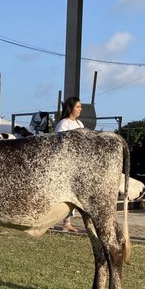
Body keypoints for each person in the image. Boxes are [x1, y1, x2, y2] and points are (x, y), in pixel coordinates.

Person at [54, 96, 85, 232]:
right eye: (78, 107)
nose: (80, 109)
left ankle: (67, 222)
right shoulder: (63, 124)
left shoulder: (80, 124)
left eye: (80, 107)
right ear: (70, 108)